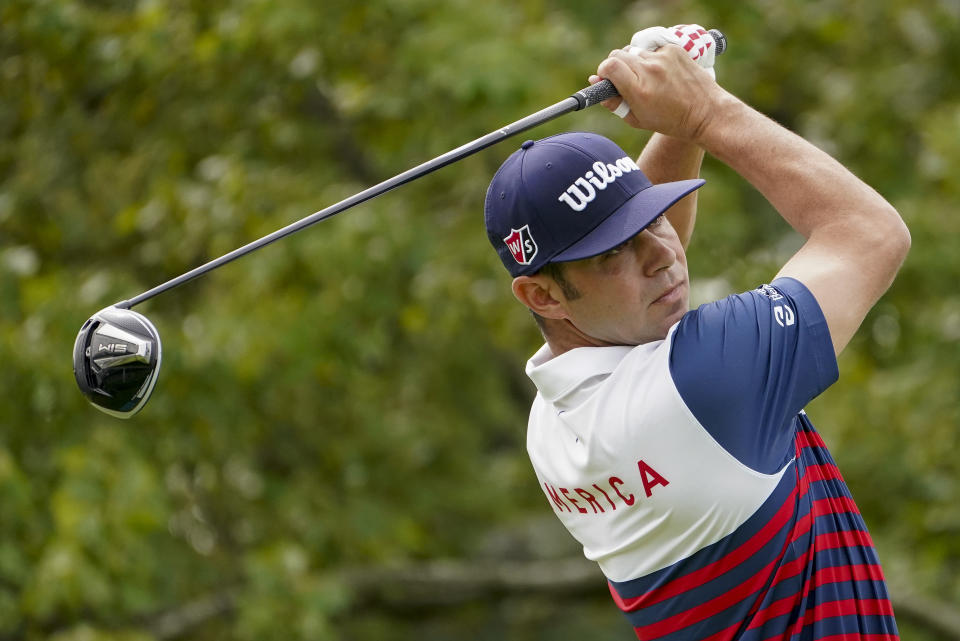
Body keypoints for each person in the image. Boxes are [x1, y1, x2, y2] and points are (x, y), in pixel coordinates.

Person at [483, 25, 910, 641]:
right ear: (542, 296)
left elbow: (640, 287)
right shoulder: (708, 378)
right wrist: (703, 111)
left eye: (650, 218)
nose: (662, 255)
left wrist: (685, 102)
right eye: (613, 252)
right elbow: (871, 234)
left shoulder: (553, 428)